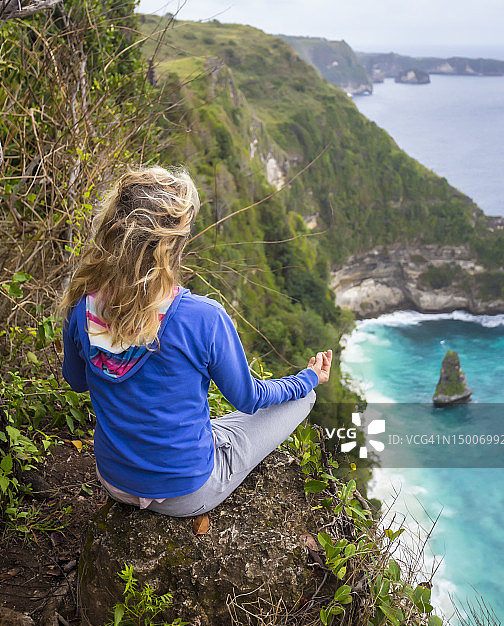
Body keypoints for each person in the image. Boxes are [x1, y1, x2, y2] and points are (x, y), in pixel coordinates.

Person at [58, 165, 332, 518]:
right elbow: (250, 399)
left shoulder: (82, 307)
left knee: (218, 427)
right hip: (186, 493)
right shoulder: (203, 317)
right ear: (174, 244)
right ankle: (308, 389)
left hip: (114, 480)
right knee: (301, 400)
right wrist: (307, 377)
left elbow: (77, 381)